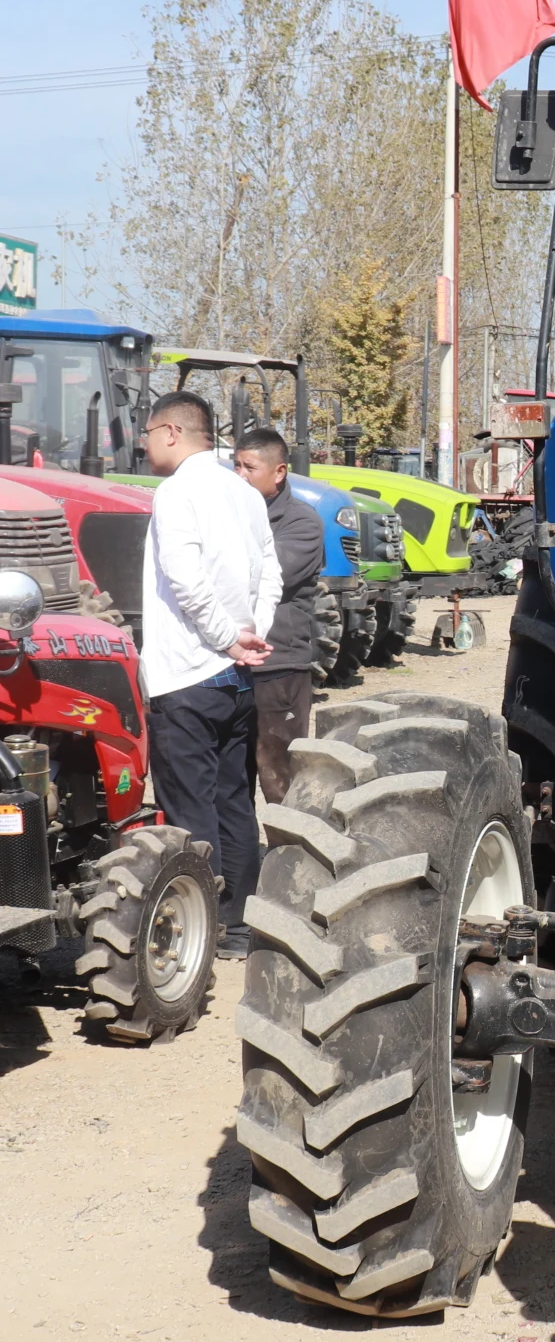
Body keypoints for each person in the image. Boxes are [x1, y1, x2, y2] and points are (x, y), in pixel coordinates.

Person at [141, 390, 281, 959]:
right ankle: (239, 928)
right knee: (233, 804)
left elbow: (184, 577)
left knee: (190, 809)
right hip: (237, 675)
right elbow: (269, 570)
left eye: (148, 433)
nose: (144, 443)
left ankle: (198, 932)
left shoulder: (177, 491)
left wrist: (227, 636)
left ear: (172, 432)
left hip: (187, 674)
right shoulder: (242, 491)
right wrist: (250, 635)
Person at [233, 428, 323, 803]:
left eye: (249, 467)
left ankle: (290, 859)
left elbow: (260, 578)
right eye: (235, 465)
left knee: (280, 780)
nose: (239, 475)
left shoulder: (301, 524)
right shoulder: (228, 516)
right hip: (233, 665)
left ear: (279, 472)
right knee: (232, 781)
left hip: (279, 668)